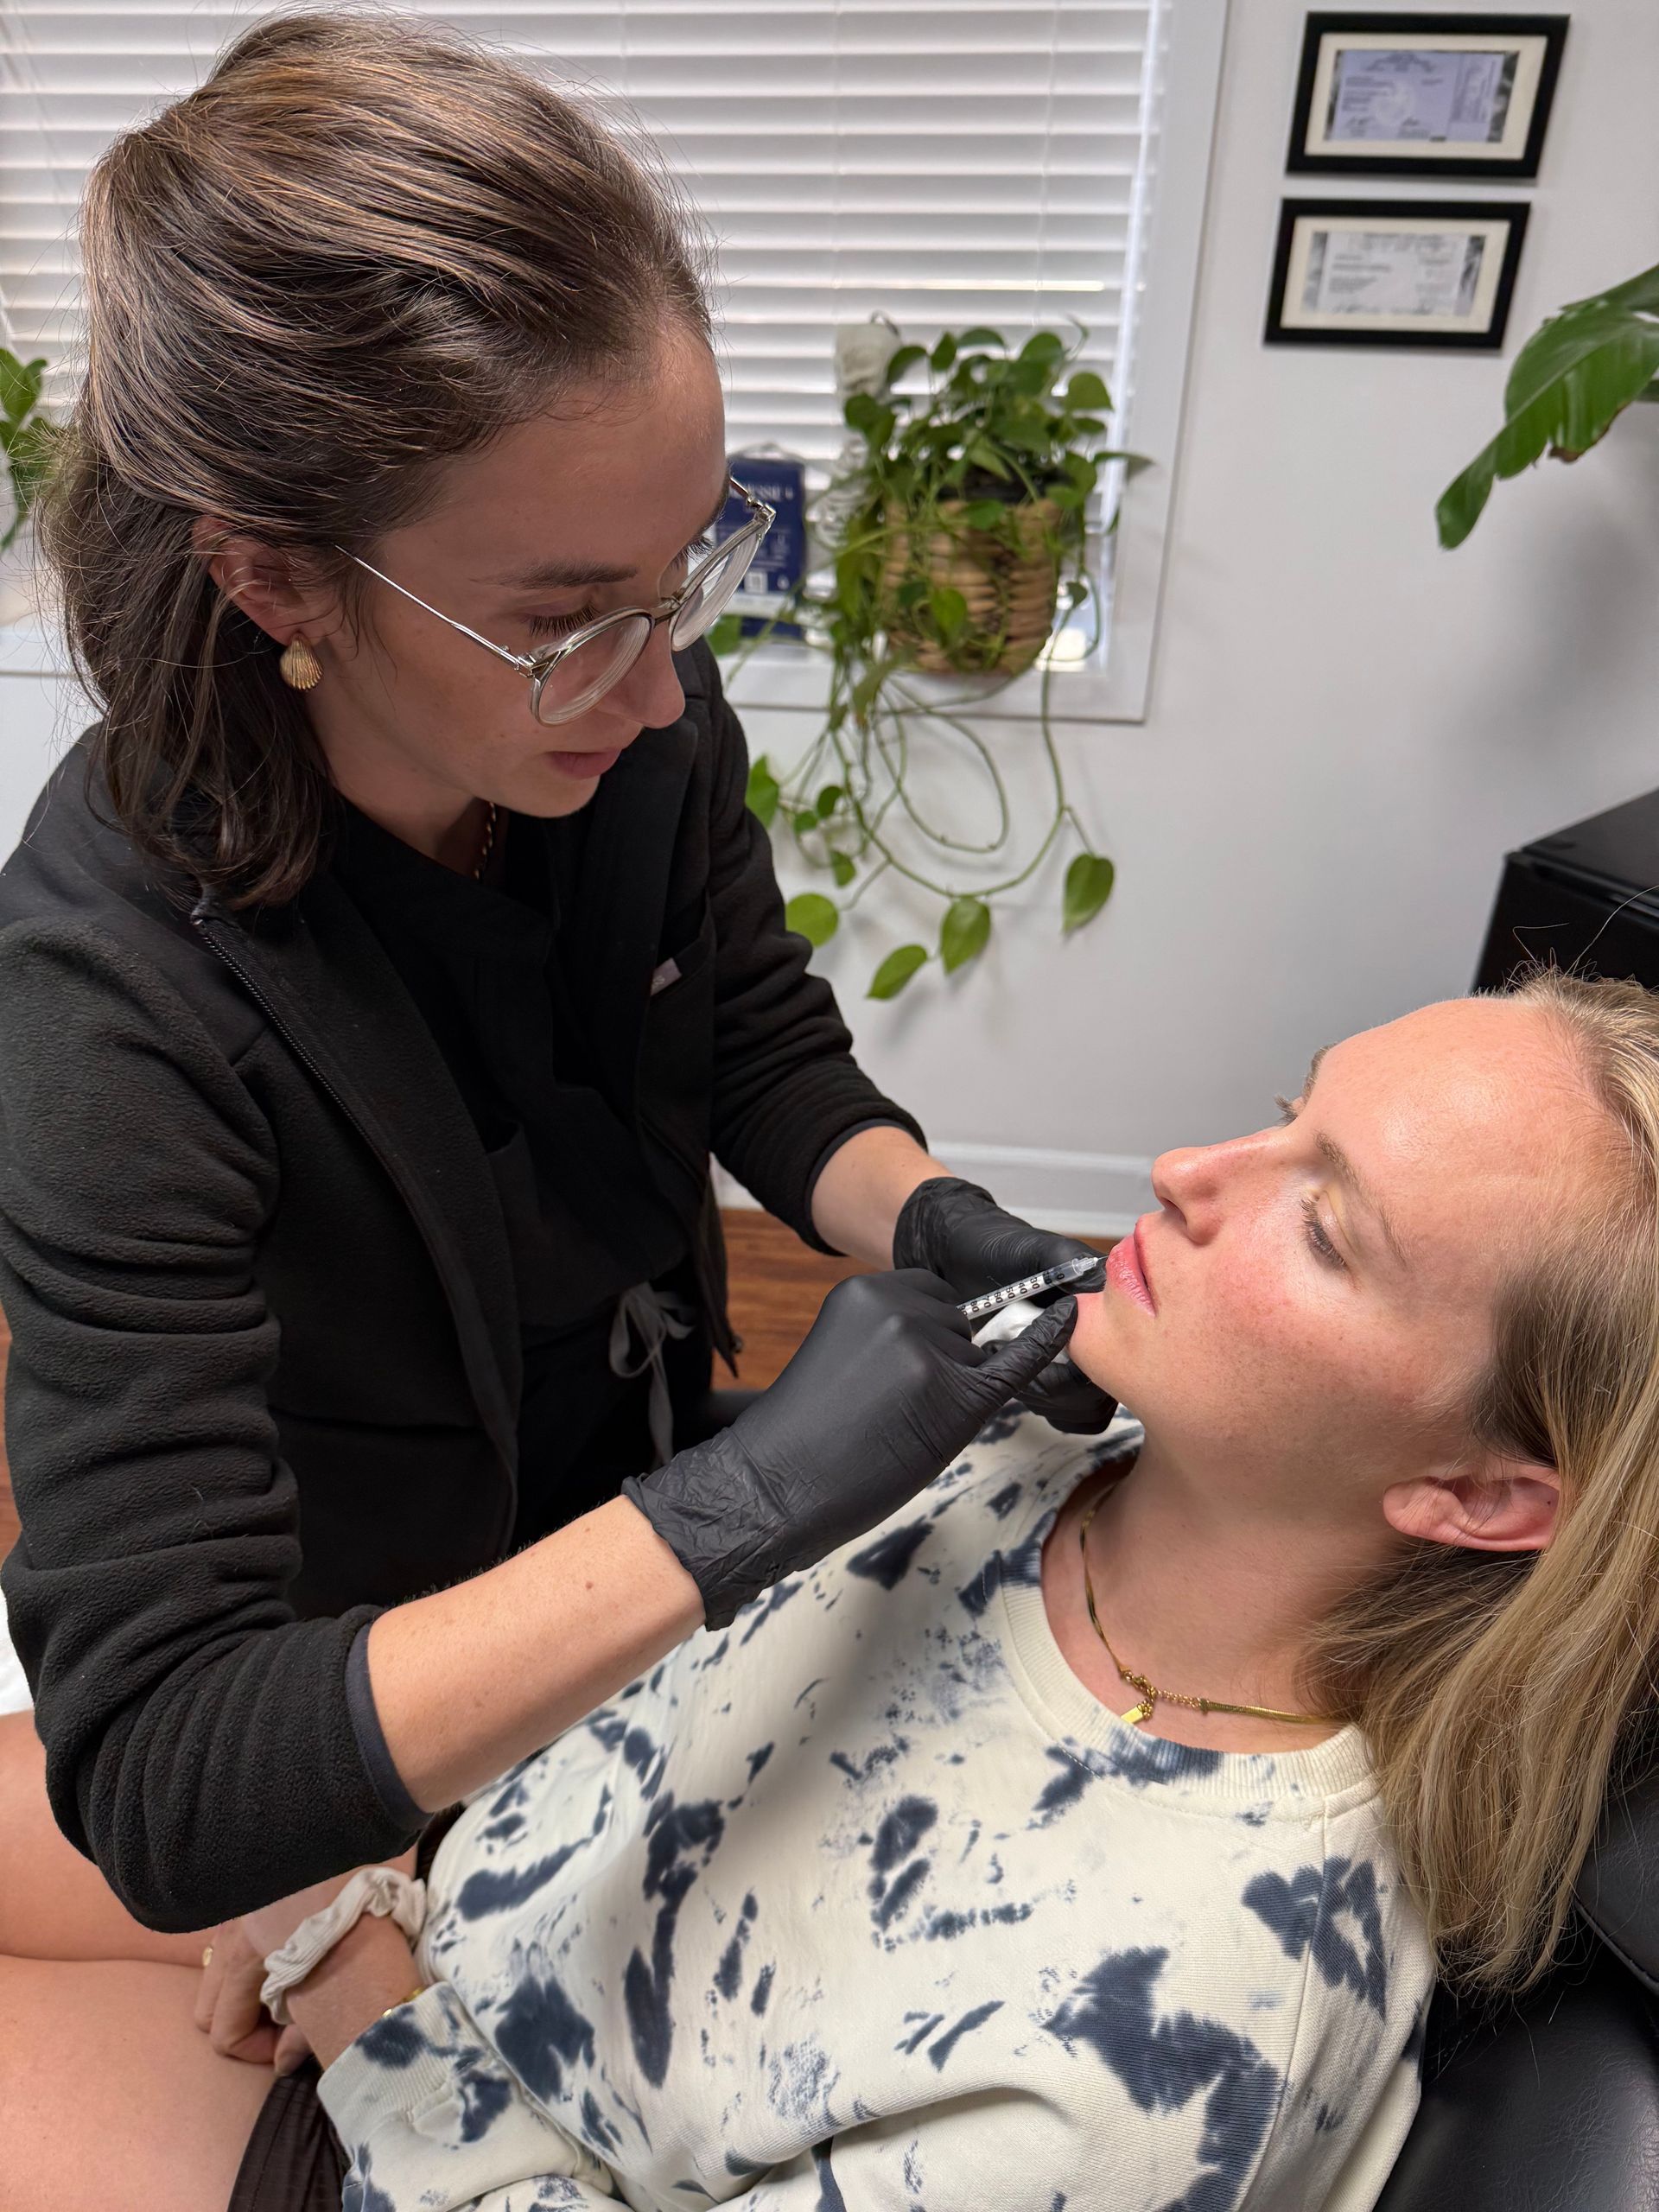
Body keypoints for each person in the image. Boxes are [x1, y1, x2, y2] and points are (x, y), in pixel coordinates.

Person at [0, 3, 1114, 1958]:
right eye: (570, 617)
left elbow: (764, 1046)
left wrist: (936, 1220)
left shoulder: (628, 731)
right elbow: (169, 1773)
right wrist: (740, 1507)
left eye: (682, 574)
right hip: (391, 1659)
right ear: (278, 579)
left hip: (634, 1492)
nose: (662, 674)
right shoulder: (104, 1003)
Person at [10, 969, 1659, 2212]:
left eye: (1327, 1229)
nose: (1184, 1169)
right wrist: (363, 1840)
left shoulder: (1164, 2048)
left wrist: (347, 1970)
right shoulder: (1035, 1443)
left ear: (1482, 1494)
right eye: (1285, 1111)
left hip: (441, 2139)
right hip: (446, 1904)